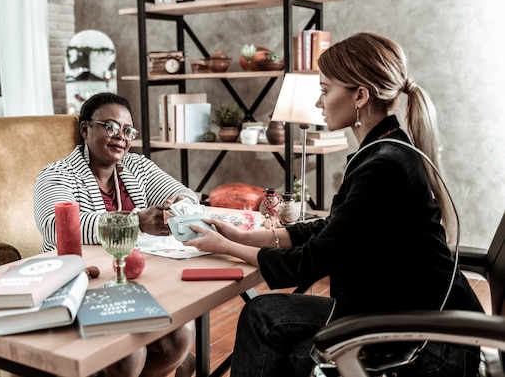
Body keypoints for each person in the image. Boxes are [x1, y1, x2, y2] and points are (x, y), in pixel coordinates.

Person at [183, 33, 484, 376]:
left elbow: (309, 263)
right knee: (265, 315)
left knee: (264, 319)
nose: (318, 103)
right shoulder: (385, 149)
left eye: (325, 90)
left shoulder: (383, 167)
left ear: (360, 95)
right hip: (404, 315)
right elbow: (334, 230)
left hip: (428, 342)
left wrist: (224, 246)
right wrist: (243, 237)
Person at [34, 92, 197, 377]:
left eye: (127, 130)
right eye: (110, 126)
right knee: (129, 355)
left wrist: (176, 208)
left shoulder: (137, 166)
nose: (121, 136)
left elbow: (187, 195)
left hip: (139, 282)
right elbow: (52, 225)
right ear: (85, 129)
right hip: (82, 286)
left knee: (180, 336)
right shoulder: (58, 174)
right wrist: (135, 222)